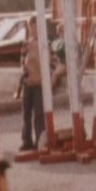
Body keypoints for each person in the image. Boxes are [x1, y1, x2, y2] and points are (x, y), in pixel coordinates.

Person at [19, 15, 47, 151]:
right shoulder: (26, 43)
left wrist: (47, 78)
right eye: (31, 26)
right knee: (26, 113)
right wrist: (25, 77)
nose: (33, 29)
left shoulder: (45, 43)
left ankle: (40, 140)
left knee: (39, 113)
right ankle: (26, 140)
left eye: (35, 26)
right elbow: (22, 62)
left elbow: (52, 61)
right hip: (28, 82)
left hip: (40, 83)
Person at [51, 21, 67, 90]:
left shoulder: (65, 42)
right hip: (60, 62)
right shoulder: (58, 41)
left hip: (65, 63)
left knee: (55, 74)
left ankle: (51, 88)